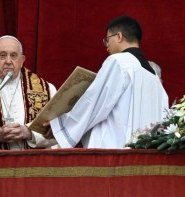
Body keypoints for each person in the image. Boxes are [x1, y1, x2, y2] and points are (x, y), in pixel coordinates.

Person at [48, 16, 168, 148]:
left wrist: (59, 126)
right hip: (144, 157)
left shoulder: (119, 62)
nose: (107, 47)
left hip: (114, 154)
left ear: (119, 36)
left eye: (107, 40)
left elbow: (94, 102)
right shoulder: (154, 76)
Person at [0, 35, 57, 150]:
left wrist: (29, 133)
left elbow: (58, 131)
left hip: (34, 165)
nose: (8, 61)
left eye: (13, 56)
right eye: (2, 56)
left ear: (22, 60)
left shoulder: (48, 89)